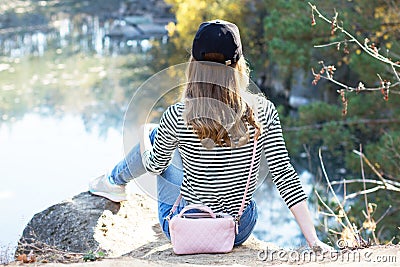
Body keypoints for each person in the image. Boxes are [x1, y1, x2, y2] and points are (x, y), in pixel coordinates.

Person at [89, 19, 332, 250]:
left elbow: (156, 166)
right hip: (237, 228)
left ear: (194, 64)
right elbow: (283, 174)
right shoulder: (262, 111)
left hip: (187, 227)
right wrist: (313, 241)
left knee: (154, 136)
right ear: (238, 64)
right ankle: (115, 180)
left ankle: (113, 181)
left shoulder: (177, 114)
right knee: (248, 196)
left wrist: (144, 140)